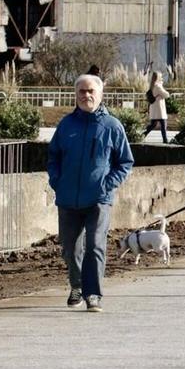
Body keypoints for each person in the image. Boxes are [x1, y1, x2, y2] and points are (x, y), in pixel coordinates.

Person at [46, 74, 134, 311]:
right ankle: (76, 286)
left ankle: (93, 293)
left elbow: (125, 162)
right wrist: (57, 181)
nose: (86, 95)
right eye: (82, 92)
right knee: (70, 247)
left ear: (100, 94)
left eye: (91, 91)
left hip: (98, 199)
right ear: (76, 95)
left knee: (95, 245)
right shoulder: (66, 125)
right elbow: (53, 156)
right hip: (67, 199)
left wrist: (107, 184)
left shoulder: (112, 126)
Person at [144, 69, 170, 145]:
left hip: (154, 109)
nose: (162, 78)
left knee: (153, 125)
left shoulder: (152, 85)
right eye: (161, 77)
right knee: (163, 124)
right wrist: (162, 86)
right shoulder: (158, 86)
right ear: (158, 78)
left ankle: (142, 135)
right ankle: (165, 140)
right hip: (159, 109)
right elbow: (166, 95)